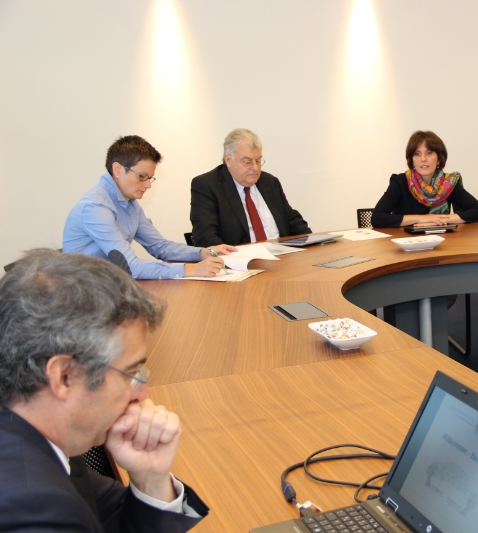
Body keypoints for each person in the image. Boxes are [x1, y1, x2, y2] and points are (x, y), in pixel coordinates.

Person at [0, 249, 209, 531]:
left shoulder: (39, 438)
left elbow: (112, 522)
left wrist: (150, 477)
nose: (141, 395)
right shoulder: (31, 506)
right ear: (64, 376)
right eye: (131, 373)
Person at [64, 135, 234, 280]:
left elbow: (159, 247)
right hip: (84, 295)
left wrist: (201, 253)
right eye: (142, 177)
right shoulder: (95, 207)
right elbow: (129, 266)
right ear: (117, 169)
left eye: (150, 178)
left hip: (109, 285)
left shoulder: (129, 202)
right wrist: (191, 269)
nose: (148, 185)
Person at [190, 128, 311, 247]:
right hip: (240, 257)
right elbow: (206, 237)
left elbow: (292, 220)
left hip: (283, 254)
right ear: (228, 160)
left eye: (258, 161)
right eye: (247, 162)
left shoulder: (269, 182)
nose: (255, 168)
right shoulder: (207, 186)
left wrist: (313, 242)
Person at [371, 130, 478, 228]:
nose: (423, 159)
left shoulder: (448, 183)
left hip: (441, 240)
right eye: (417, 154)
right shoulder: (400, 181)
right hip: (406, 241)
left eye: (429, 153)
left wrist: (438, 219)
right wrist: (421, 219)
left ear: (439, 159)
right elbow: (377, 218)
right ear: (412, 160)